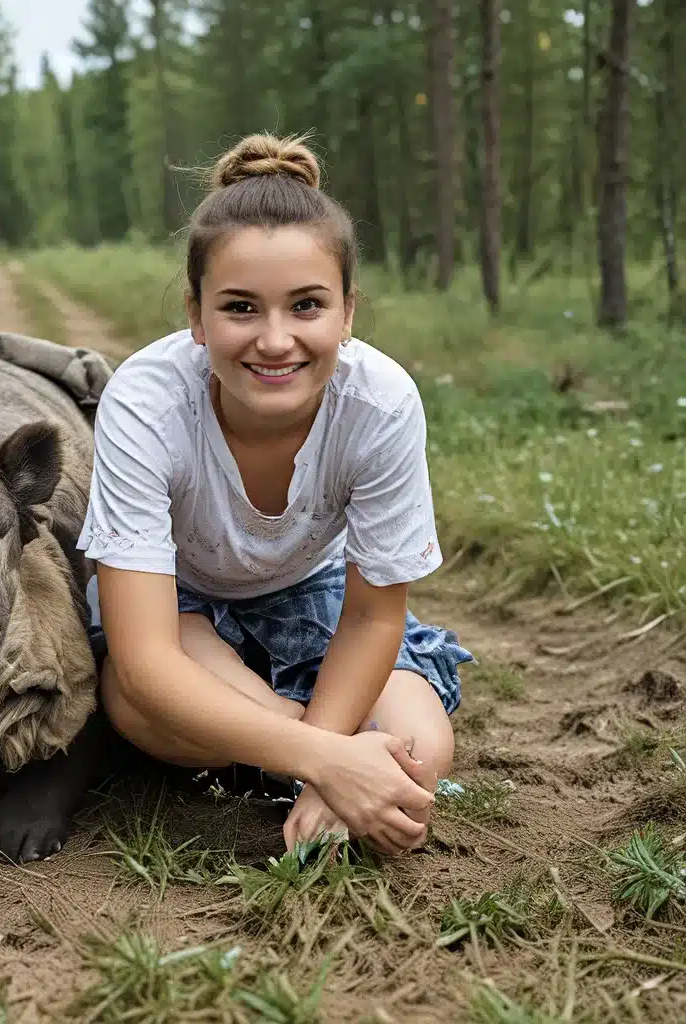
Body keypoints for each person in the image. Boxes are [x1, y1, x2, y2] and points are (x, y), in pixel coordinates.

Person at [77, 133, 473, 856]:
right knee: (141, 709)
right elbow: (146, 656)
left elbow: (373, 617)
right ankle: (301, 758)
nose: (275, 339)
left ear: (348, 313)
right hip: (178, 606)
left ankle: (270, 754)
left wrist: (329, 767)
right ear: (195, 315)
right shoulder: (144, 400)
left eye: (306, 305)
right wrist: (327, 759)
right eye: (240, 308)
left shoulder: (380, 404)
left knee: (421, 748)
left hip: (310, 592)